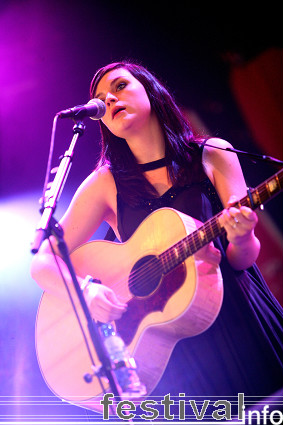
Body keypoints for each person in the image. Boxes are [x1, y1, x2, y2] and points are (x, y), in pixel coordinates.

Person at [31, 61, 283, 420]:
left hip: (239, 318)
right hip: (172, 346)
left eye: (120, 86)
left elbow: (242, 260)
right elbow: (43, 261)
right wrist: (85, 292)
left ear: (150, 91)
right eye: (100, 99)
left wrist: (242, 237)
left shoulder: (212, 154)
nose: (110, 99)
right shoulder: (105, 183)